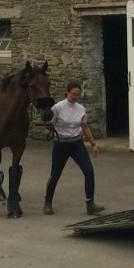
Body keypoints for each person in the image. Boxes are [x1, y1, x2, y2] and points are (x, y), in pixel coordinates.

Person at [43, 82, 104, 216]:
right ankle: (47, 203)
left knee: (89, 171)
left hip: (77, 143)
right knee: (55, 174)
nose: (76, 96)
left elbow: (85, 127)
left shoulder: (81, 108)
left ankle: (90, 204)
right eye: (74, 94)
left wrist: (93, 144)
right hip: (61, 144)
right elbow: (48, 125)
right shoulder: (57, 108)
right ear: (68, 92)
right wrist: (48, 131)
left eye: (78, 94)